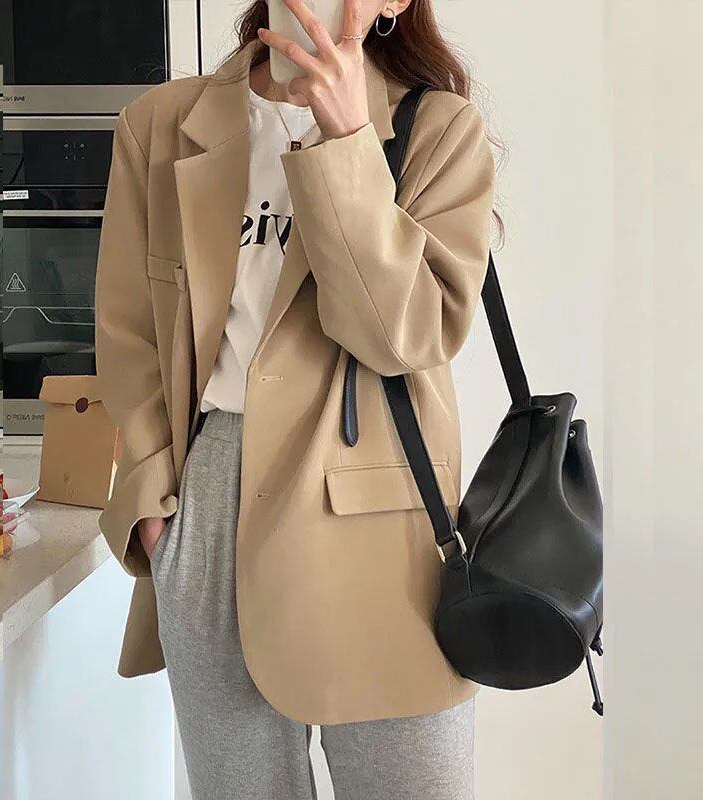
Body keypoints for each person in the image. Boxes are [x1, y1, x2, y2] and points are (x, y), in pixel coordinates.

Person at [95, 1, 497, 797]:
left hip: (384, 503)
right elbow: (130, 333)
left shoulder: (438, 130)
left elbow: (405, 334)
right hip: (210, 504)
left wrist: (347, 140)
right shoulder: (161, 125)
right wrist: (152, 502)